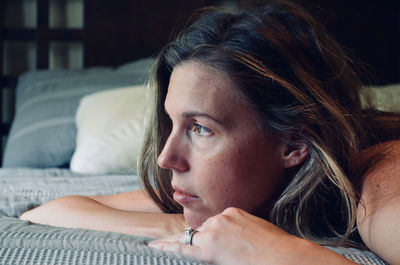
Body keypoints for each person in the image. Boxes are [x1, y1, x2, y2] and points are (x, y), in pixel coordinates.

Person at [20, 1, 400, 264]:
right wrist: (185, 227)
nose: (166, 158)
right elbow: (48, 211)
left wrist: (284, 253)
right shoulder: (236, 189)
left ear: (294, 143)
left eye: (201, 128)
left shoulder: (380, 181)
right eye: (173, 124)